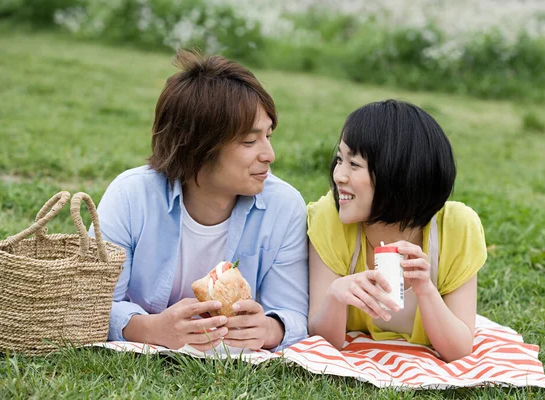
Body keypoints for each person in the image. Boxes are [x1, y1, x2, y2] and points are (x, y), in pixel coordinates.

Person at [90, 50, 308, 352]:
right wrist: (151, 328)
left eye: (269, 136)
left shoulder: (284, 206)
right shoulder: (131, 196)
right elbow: (91, 303)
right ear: (197, 146)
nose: (269, 155)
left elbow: (293, 312)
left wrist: (268, 329)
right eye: (249, 141)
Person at [307, 100, 487, 362]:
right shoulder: (330, 218)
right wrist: (336, 295)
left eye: (353, 164)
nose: (338, 176)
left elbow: (458, 350)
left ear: (397, 174)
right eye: (339, 160)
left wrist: (425, 289)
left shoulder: (456, 228)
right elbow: (323, 342)